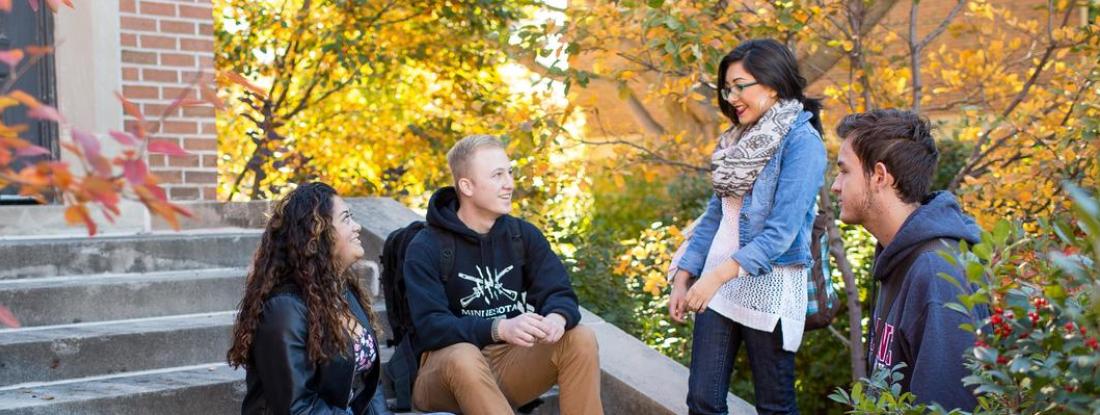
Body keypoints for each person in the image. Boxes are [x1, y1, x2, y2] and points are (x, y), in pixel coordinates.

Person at [666, 38, 827, 415]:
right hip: (717, 286)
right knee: (703, 400)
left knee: (774, 405)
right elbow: (716, 214)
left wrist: (715, 277)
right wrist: (684, 276)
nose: (731, 96)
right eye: (727, 88)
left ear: (772, 84)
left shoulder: (803, 143)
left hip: (767, 286)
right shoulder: (737, 141)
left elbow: (781, 232)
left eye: (741, 86)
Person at [402, 135, 602, 415]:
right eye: (497, 175)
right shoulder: (426, 246)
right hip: (442, 374)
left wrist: (558, 316)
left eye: (509, 172)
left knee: (579, 337)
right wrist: (499, 327)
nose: (509, 183)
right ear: (466, 186)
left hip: (506, 364)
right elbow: (432, 327)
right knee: (464, 355)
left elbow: (559, 292)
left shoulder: (522, 235)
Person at [830, 109, 986, 409]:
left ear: (879, 176)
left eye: (844, 170)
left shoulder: (937, 272)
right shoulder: (898, 254)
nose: (836, 185)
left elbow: (949, 405)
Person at [227, 182, 391, 415]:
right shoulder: (284, 310)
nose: (357, 227)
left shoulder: (343, 293)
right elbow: (297, 409)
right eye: (346, 219)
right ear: (318, 233)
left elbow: (369, 388)